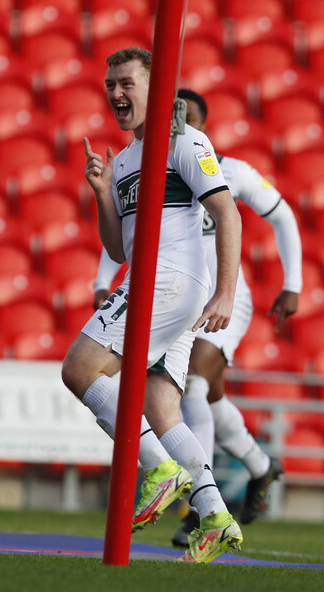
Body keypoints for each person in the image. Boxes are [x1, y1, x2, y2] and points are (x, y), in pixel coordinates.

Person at [93, 88, 303, 547]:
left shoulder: (229, 170)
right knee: (194, 400)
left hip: (223, 296)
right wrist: (100, 280)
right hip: (174, 291)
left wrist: (293, 284)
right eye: (175, 116)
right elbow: (131, 235)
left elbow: (282, 216)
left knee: (196, 390)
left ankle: (194, 511)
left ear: (205, 123)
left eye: (190, 119)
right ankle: (258, 467)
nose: (182, 125)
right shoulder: (151, 166)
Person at [60, 47, 244, 563]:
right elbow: (119, 249)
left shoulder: (183, 139)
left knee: (79, 369)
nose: (117, 94)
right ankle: (215, 516)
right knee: (162, 409)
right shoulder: (122, 161)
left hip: (168, 281)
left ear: (154, 87)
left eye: (128, 83)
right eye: (110, 85)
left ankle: (158, 470)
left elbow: (227, 213)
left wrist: (225, 291)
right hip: (155, 281)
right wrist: (101, 192)